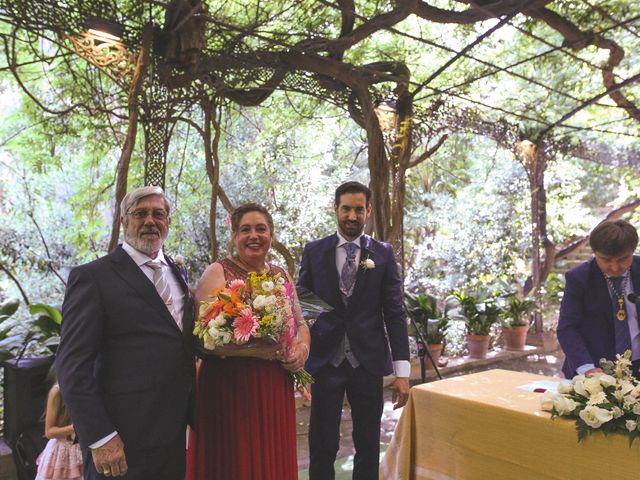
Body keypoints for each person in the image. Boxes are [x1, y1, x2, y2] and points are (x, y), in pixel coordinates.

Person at [56, 186, 195, 479]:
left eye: (158, 214)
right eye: (139, 213)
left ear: (168, 221)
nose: (149, 221)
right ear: (123, 221)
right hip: (121, 441)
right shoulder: (93, 278)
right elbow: (72, 366)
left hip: (172, 438)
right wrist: (101, 436)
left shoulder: (177, 272)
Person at [186, 203, 311, 480]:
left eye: (261, 229)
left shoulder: (280, 275)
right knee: (232, 464)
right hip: (227, 389)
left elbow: (300, 324)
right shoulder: (217, 272)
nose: (253, 235)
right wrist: (262, 351)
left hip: (273, 386)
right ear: (234, 236)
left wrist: (301, 349)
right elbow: (204, 338)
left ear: (272, 235)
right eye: (245, 230)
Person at [298, 181, 410, 480]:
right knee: (322, 445)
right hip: (325, 362)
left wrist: (402, 372)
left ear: (368, 211)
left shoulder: (383, 255)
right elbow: (303, 311)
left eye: (359, 209)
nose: (352, 215)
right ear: (335, 208)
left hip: (367, 363)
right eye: (346, 208)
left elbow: (395, 313)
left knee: (368, 444)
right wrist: (300, 366)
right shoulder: (314, 252)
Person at [558, 219, 640, 379]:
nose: (615, 267)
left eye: (623, 259)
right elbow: (567, 328)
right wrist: (587, 368)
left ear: (633, 251)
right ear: (594, 253)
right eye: (606, 260)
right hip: (594, 368)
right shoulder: (579, 278)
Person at [35, 382, 83, 480]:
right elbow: (49, 432)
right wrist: (75, 428)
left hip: (82, 450)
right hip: (62, 453)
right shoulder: (57, 391)